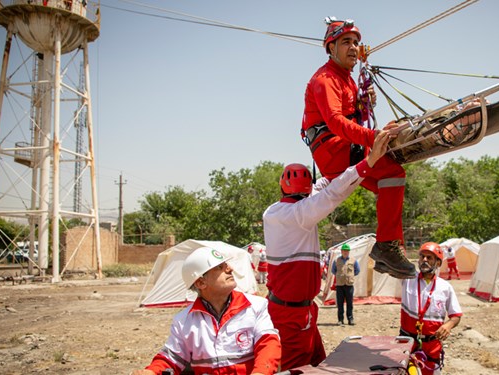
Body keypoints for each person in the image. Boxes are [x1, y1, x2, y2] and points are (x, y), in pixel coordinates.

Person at [262, 131, 392, 369]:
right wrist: (368, 163)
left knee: (319, 364)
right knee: (297, 369)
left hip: (299, 309)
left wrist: (347, 165)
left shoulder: (277, 211)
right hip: (292, 315)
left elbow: (323, 185)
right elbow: (332, 194)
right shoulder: (298, 214)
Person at [301, 17, 415, 279]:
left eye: (355, 43)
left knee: (390, 186)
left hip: (342, 147)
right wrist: (374, 137)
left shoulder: (348, 80)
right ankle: (387, 246)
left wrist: (364, 105)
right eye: (346, 42)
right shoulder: (325, 79)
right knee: (392, 171)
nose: (353, 48)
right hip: (334, 149)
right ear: (331, 48)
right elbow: (336, 122)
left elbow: (352, 118)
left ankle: (390, 249)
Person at [131, 247, 281, 375]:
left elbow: (268, 343)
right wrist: (151, 371)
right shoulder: (183, 321)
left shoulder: (256, 306)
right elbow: (170, 358)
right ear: (201, 282)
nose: (230, 269)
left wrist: (260, 372)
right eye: (219, 267)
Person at [399, 242, 462, 375]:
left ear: (438, 263)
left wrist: (448, 325)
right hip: (407, 342)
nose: (424, 260)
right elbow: (394, 260)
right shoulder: (407, 278)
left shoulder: (445, 287)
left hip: (432, 346)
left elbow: (456, 315)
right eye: (422, 257)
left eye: (429, 258)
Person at [331, 243, 360, 326]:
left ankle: (350, 319)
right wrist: (340, 275)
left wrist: (350, 276)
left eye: (347, 251)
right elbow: (333, 271)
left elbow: (357, 271)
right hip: (340, 285)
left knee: (349, 303)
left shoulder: (353, 260)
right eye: (344, 251)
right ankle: (340, 320)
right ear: (341, 251)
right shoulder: (336, 260)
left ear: (349, 252)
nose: (345, 252)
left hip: (349, 285)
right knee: (340, 303)